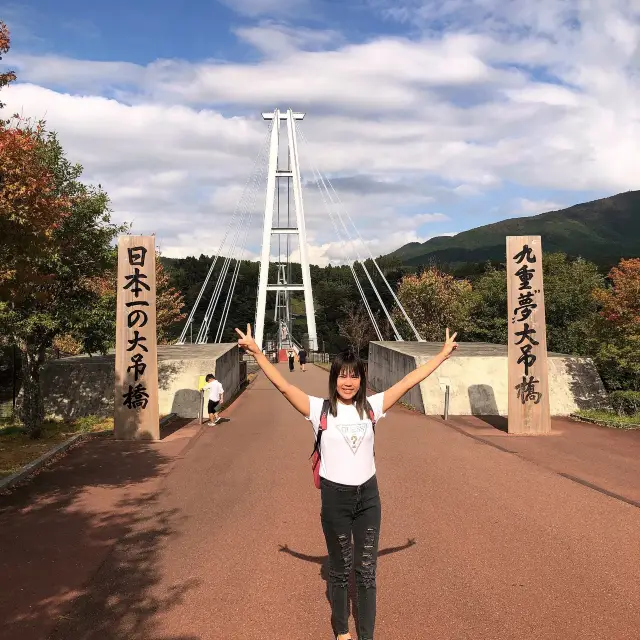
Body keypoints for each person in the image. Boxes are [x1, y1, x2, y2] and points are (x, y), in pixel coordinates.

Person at [235, 323, 458, 640]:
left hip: (368, 498)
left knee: (366, 571)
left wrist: (442, 356)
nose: (348, 382)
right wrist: (258, 353)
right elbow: (284, 387)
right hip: (335, 499)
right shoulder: (318, 410)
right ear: (334, 378)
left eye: (354, 376)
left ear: (361, 379)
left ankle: (367, 635)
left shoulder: (372, 407)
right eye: (343, 375)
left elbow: (409, 380)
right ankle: (342, 631)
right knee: (339, 572)